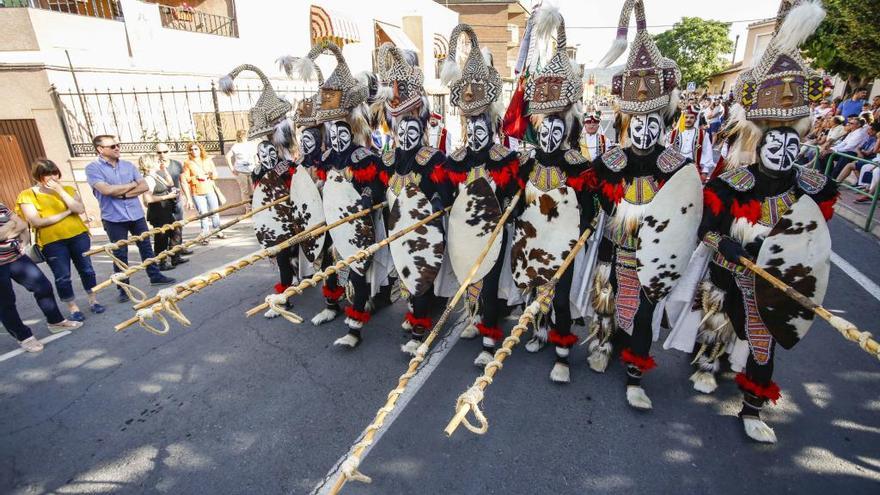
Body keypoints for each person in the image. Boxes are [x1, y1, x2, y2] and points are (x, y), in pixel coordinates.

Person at [665, 0, 836, 444]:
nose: (782, 151)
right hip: (731, 270)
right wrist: (728, 246)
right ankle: (708, 360)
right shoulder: (732, 183)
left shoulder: (812, 185)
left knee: (764, 340)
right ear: (758, 140)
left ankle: (753, 406)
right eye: (773, 142)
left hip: (775, 279)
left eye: (790, 142)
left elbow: (816, 237)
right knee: (717, 322)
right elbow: (708, 228)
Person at [587, 0, 701, 410]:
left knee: (643, 314)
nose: (645, 130)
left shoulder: (676, 166)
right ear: (626, 123)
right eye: (638, 123)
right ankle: (602, 346)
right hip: (614, 247)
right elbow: (593, 193)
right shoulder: (611, 160)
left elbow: (688, 212)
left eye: (652, 122)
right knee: (607, 299)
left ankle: (636, 374)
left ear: (663, 122)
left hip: (652, 255)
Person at [513, 8, 597, 383]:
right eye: (543, 125)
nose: (548, 133)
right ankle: (539, 331)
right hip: (534, 238)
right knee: (533, 285)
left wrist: (584, 227)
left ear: (568, 126)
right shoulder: (528, 161)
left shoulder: (579, 164)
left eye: (555, 125)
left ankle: (562, 351)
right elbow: (518, 196)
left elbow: (590, 206)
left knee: (559, 295)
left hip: (564, 241)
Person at [439, 23, 522, 360]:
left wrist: (504, 210)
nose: (476, 131)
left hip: (496, 230)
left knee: (488, 280)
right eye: (470, 125)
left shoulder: (505, 159)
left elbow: (515, 198)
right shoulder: (457, 160)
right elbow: (446, 192)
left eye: (481, 125)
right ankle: (474, 319)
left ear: (492, 125)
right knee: (469, 277)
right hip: (466, 229)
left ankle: (490, 340)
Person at [85, 135, 175, 303]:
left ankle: (154, 275)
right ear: (100, 149)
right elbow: (106, 190)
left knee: (146, 247)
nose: (117, 148)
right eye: (112, 146)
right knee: (120, 254)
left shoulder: (128, 165)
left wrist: (123, 193)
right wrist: (131, 185)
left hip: (135, 214)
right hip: (113, 218)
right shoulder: (93, 168)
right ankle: (124, 289)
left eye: (118, 145)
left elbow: (144, 186)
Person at [16, 159, 103, 321]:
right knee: (63, 275)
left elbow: (79, 209)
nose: (52, 177)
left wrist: (61, 191)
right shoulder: (28, 195)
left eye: (54, 173)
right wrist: (66, 213)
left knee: (87, 269)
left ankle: (93, 299)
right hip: (52, 242)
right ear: (38, 176)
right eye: (47, 174)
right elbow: (37, 221)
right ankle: (73, 308)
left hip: (78, 236)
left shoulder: (68, 189)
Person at [1, 202, 82, 352]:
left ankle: (55, 321)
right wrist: (12, 225)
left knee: (43, 287)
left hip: (15, 256)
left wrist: (13, 232)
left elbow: (23, 223)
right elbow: (14, 225)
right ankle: (24, 337)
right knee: (5, 303)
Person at [139, 154, 187, 271]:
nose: (159, 162)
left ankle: (175, 256)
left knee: (175, 231)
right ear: (150, 163)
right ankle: (161, 262)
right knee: (162, 237)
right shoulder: (148, 179)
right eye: (157, 161)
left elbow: (170, 183)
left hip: (166, 209)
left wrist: (164, 170)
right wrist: (167, 196)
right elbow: (148, 199)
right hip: (158, 211)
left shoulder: (155, 175)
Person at [181, 142, 224, 242]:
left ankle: (217, 230)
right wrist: (196, 177)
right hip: (197, 192)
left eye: (196, 149)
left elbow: (216, 174)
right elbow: (186, 179)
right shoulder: (188, 163)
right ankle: (205, 234)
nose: (194, 151)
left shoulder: (207, 160)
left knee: (215, 211)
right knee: (203, 214)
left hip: (210, 188)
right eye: (191, 149)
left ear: (200, 150)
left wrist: (211, 175)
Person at [155, 142, 192, 255]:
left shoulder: (176, 164)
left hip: (176, 200)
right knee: (163, 230)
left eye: (165, 152)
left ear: (169, 151)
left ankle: (177, 250)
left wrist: (189, 198)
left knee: (178, 226)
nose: (162, 154)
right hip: (161, 202)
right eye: (159, 152)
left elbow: (183, 181)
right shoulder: (154, 166)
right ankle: (162, 256)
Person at [669, 104, 715, 180]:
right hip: (675, 170)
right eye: (686, 117)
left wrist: (705, 172)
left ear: (695, 119)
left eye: (691, 117)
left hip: (694, 171)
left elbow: (707, 152)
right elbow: (667, 151)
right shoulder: (674, 133)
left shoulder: (702, 134)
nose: (688, 120)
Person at [226, 129, 256, 212]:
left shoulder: (251, 145)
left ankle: (257, 207)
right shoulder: (236, 146)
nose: (243, 137)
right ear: (239, 136)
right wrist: (232, 169)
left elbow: (255, 156)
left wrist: (257, 165)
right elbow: (228, 156)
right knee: (245, 191)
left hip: (252, 170)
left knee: (255, 189)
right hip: (241, 171)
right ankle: (248, 209)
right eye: (241, 135)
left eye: (244, 135)